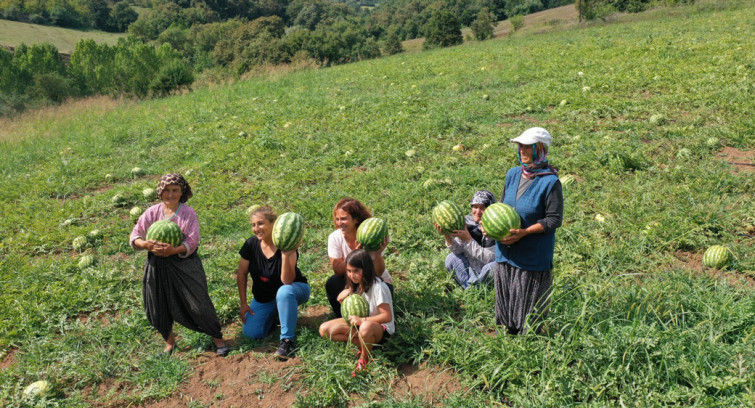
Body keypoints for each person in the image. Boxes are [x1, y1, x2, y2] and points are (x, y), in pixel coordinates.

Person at [130, 173, 229, 357]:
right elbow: (135, 235)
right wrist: (146, 245)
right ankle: (169, 344)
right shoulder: (152, 212)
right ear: (160, 192)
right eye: (166, 190)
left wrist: (173, 250)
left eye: (175, 190)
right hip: (157, 265)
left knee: (198, 303)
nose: (170, 194)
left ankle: (218, 339)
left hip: (184, 264)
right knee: (157, 303)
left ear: (182, 192)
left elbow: (193, 241)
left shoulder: (188, 213)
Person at [488, 127, 563, 335]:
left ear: (540, 149)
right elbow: (502, 206)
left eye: (527, 146)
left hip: (531, 257)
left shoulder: (550, 182)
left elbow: (554, 220)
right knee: (507, 313)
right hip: (505, 254)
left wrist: (524, 232)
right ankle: (508, 346)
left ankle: (529, 353)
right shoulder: (512, 174)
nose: (521, 150)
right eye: (520, 146)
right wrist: (490, 227)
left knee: (528, 317)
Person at [236, 206, 310, 360]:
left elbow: (287, 281)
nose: (256, 228)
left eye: (261, 223)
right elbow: (241, 273)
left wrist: (285, 255)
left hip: (294, 290)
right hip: (265, 298)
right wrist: (244, 303)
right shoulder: (251, 244)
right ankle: (278, 314)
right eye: (253, 225)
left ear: (274, 224)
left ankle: (287, 340)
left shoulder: (288, 245)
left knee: (284, 292)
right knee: (252, 333)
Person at [319, 249, 394, 376]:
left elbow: (387, 316)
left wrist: (362, 321)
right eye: (349, 271)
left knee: (365, 327)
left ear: (366, 269)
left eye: (356, 271)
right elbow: (352, 312)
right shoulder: (355, 284)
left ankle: (364, 359)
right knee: (324, 329)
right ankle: (364, 344)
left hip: (380, 329)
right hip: (362, 324)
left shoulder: (378, 287)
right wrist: (341, 300)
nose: (352, 275)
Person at [326, 198, 393, 317]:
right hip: (351, 279)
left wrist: (378, 255)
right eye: (337, 219)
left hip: (374, 279)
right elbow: (338, 270)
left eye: (344, 219)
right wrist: (354, 253)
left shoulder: (370, 236)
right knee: (332, 283)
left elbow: (377, 273)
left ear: (356, 219)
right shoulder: (335, 238)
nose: (339, 223)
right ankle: (344, 317)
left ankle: (373, 320)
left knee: (379, 288)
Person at [435, 190, 498, 289]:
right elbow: (458, 250)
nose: (477, 212)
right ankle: (472, 288)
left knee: (494, 267)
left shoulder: (495, 228)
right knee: (451, 258)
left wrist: (468, 239)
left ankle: (471, 289)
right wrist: (446, 235)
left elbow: (490, 258)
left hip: (485, 272)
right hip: (471, 270)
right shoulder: (467, 223)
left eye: (482, 208)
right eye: (475, 207)